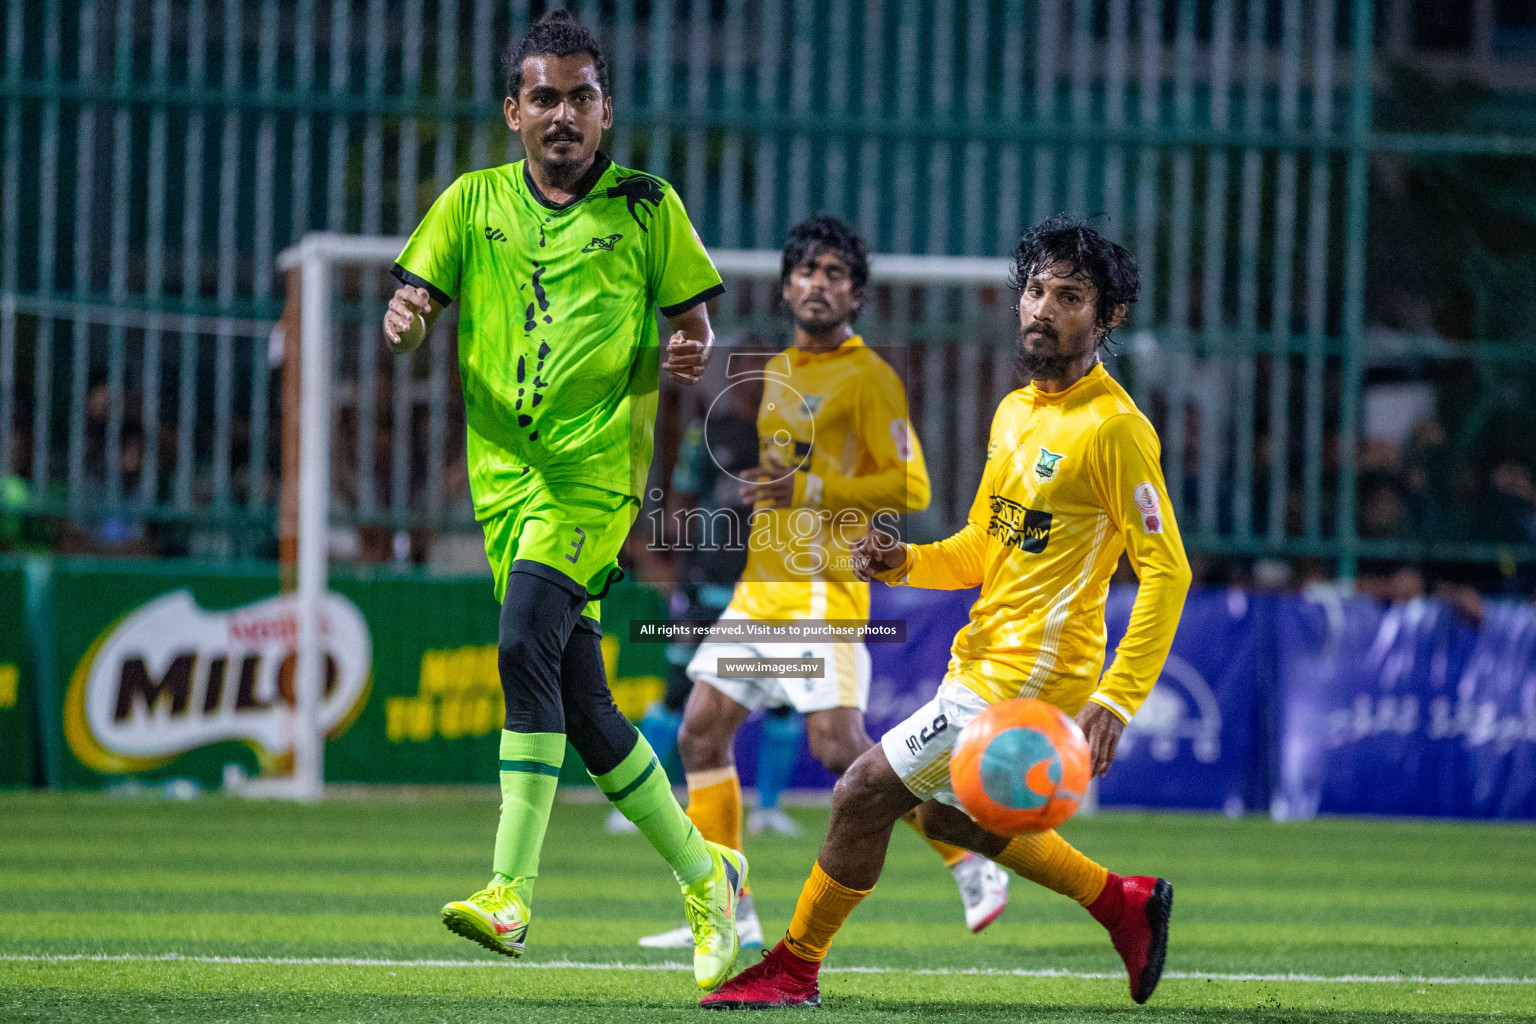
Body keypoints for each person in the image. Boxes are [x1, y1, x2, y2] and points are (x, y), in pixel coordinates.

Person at [702, 217, 1193, 1009]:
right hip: (987, 658)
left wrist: (1118, 698)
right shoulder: (1015, 412)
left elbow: (1167, 569)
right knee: (951, 815)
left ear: (1107, 319)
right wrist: (907, 562)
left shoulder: (1115, 430)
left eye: (1070, 297)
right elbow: (980, 546)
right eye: (1036, 290)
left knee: (861, 790)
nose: (1043, 308)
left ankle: (793, 966)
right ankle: (1123, 903)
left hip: (1029, 673)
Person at [380, 11, 746, 992]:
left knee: (518, 644)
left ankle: (510, 889)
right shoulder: (470, 203)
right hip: (505, 480)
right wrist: (406, 318)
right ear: (513, 110)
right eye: (544, 95)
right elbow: (409, 315)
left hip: (595, 477)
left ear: (606, 109)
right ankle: (711, 881)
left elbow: (694, 325)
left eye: (582, 95)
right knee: (586, 710)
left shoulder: (645, 205)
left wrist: (690, 350)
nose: (564, 113)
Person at [639, 216, 1011, 954]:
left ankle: (969, 857)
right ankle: (727, 911)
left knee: (842, 750)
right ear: (786, 287)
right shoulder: (777, 372)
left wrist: (805, 487)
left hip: (819, 592)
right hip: (761, 589)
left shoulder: (869, 375)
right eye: (807, 271)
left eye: (836, 274)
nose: (819, 283)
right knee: (701, 732)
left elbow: (910, 483)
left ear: (856, 297)